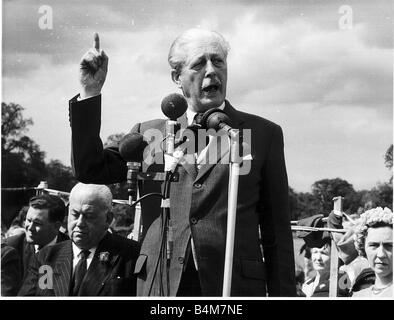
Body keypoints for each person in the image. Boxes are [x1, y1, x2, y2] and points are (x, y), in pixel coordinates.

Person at [68, 29, 296, 296]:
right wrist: (90, 92)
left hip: (231, 286)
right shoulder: (150, 134)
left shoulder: (261, 134)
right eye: (199, 63)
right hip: (160, 283)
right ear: (177, 77)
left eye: (218, 61)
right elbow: (89, 169)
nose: (212, 70)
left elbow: (277, 230)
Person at [18, 183, 140, 296]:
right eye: (75, 214)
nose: (80, 223)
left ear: (108, 219)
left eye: (89, 216)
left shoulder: (131, 256)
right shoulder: (46, 258)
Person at [6, 194, 69, 291]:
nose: (30, 228)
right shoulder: (12, 247)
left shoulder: (71, 251)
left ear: (56, 226)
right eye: (28, 220)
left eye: (37, 223)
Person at [351, 207, 393, 298]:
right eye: (374, 245)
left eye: (389, 246)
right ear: (363, 248)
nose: (381, 254)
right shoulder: (358, 296)